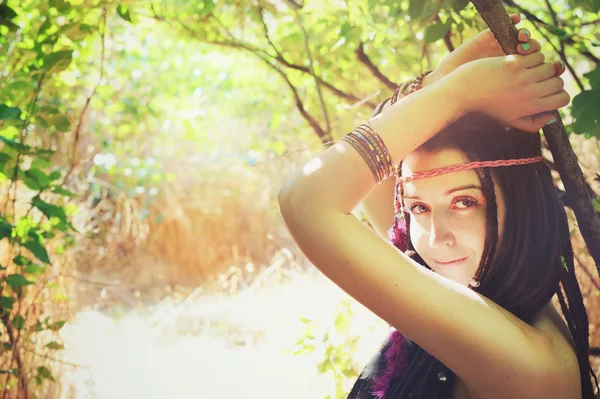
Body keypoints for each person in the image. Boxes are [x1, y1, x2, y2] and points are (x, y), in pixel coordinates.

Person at [277, 13, 600, 399]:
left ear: (522, 202)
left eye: (464, 202)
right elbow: (370, 185)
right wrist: (441, 82)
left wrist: (458, 93)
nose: (434, 238)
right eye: (417, 208)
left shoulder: (530, 366)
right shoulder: (484, 288)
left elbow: (306, 201)